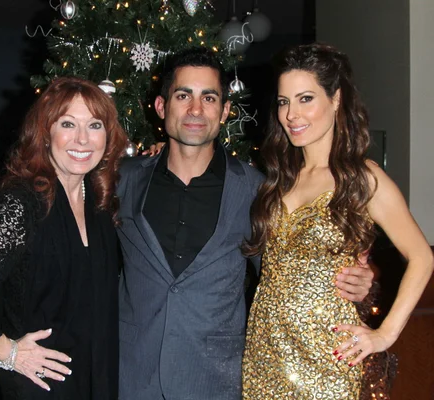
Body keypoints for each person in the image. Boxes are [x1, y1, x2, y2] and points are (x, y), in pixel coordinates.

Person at [115, 47, 375, 400]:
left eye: (209, 97)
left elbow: (287, 272)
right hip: (132, 375)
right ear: (162, 108)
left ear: (224, 111)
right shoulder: (122, 181)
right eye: (182, 95)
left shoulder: (258, 191)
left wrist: (358, 280)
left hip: (216, 381)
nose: (195, 109)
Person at [241, 43, 434, 399]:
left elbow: (422, 257)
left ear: (336, 99)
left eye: (305, 99)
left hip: (327, 357)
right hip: (265, 353)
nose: (292, 115)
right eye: (284, 101)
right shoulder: (279, 179)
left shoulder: (363, 178)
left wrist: (385, 333)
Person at [0, 76, 128, 399]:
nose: (82, 139)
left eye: (95, 126)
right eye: (68, 123)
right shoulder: (22, 203)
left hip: (94, 379)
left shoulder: (99, 202)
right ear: (45, 133)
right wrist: (8, 352)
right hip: (39, 387)